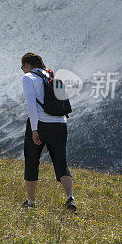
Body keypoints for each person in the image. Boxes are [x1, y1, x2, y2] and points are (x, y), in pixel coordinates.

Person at [20, 52, 76, 211]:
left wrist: (34, 129)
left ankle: (31, 203)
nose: (23, 70)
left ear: (28, 65)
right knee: (61, 162)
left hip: (41, 124)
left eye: (22, 66)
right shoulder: (51, 77)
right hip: (60, 123)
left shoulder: (28, 78)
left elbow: (31, 104)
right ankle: (69, 198)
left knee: (32, 161)